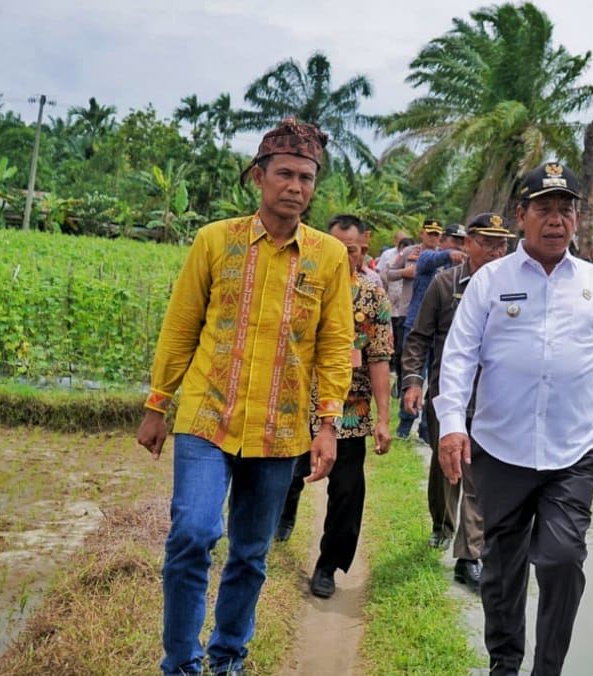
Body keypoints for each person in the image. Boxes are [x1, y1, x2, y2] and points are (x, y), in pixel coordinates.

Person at [136, 118, 354, 676]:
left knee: (250, 553)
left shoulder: (328, 257)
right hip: (207, 418)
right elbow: (182, 324)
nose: (296, 187)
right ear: (258, 177)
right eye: (284, 174)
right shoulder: (216, 239)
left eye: (306, 177)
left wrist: (327, 424)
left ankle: (227, 657)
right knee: (193, 534)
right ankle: (180, 663)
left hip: (280, 433)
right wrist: (158, 404)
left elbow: (335, 345)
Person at [434, 162, 593, 676]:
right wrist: (450, 426)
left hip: (571, 454)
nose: (556, 221)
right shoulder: (491, 281)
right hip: (500, 451)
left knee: (560, 559)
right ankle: (504, 665)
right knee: (502, 571)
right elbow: (460, 357)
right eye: (544, 209)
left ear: (577, 217)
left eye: (565, 210)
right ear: (521, 216)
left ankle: (547, 669)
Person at [273, 214, 394, 600]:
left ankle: (328, 565)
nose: (344, 259)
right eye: (336, 250)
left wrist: (384, 418)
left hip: (351, 410)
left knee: (347, 490)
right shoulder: (305, 286)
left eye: (353, 251)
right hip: (300, 402)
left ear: (364, 247)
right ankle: (280, 520)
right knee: (287, 472)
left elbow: (379, 358)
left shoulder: (373, 296)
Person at [401, 212, 513, 589]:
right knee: (445, 467)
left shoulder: (516, 290)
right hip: (447, 396)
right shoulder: (444, 284)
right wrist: (413, 383)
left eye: (503, 244)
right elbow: (419, 336)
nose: (497, 252)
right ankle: (442, 524)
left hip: (492, 400)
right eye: (488, 243)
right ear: (468, 244)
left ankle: (469, 556)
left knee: (478, 475)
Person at [390, 221, 465, 440]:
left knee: (439, 382)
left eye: (462, 242)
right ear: (443, 241)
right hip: (418, 327)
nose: (458, 246)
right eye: (454, 241)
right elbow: (428, 260)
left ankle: (426, 430)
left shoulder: (460, 269)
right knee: (414, 377)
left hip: (444, 332)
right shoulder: (426, 256)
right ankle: (404, 426)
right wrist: (450, 253)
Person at [378, 234, 413, 394]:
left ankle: (400, 383)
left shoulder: (416, 258)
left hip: (405, 312)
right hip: (390, 308)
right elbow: (383, 279)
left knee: (402, 348)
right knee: (391, 345)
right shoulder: (388, 256)